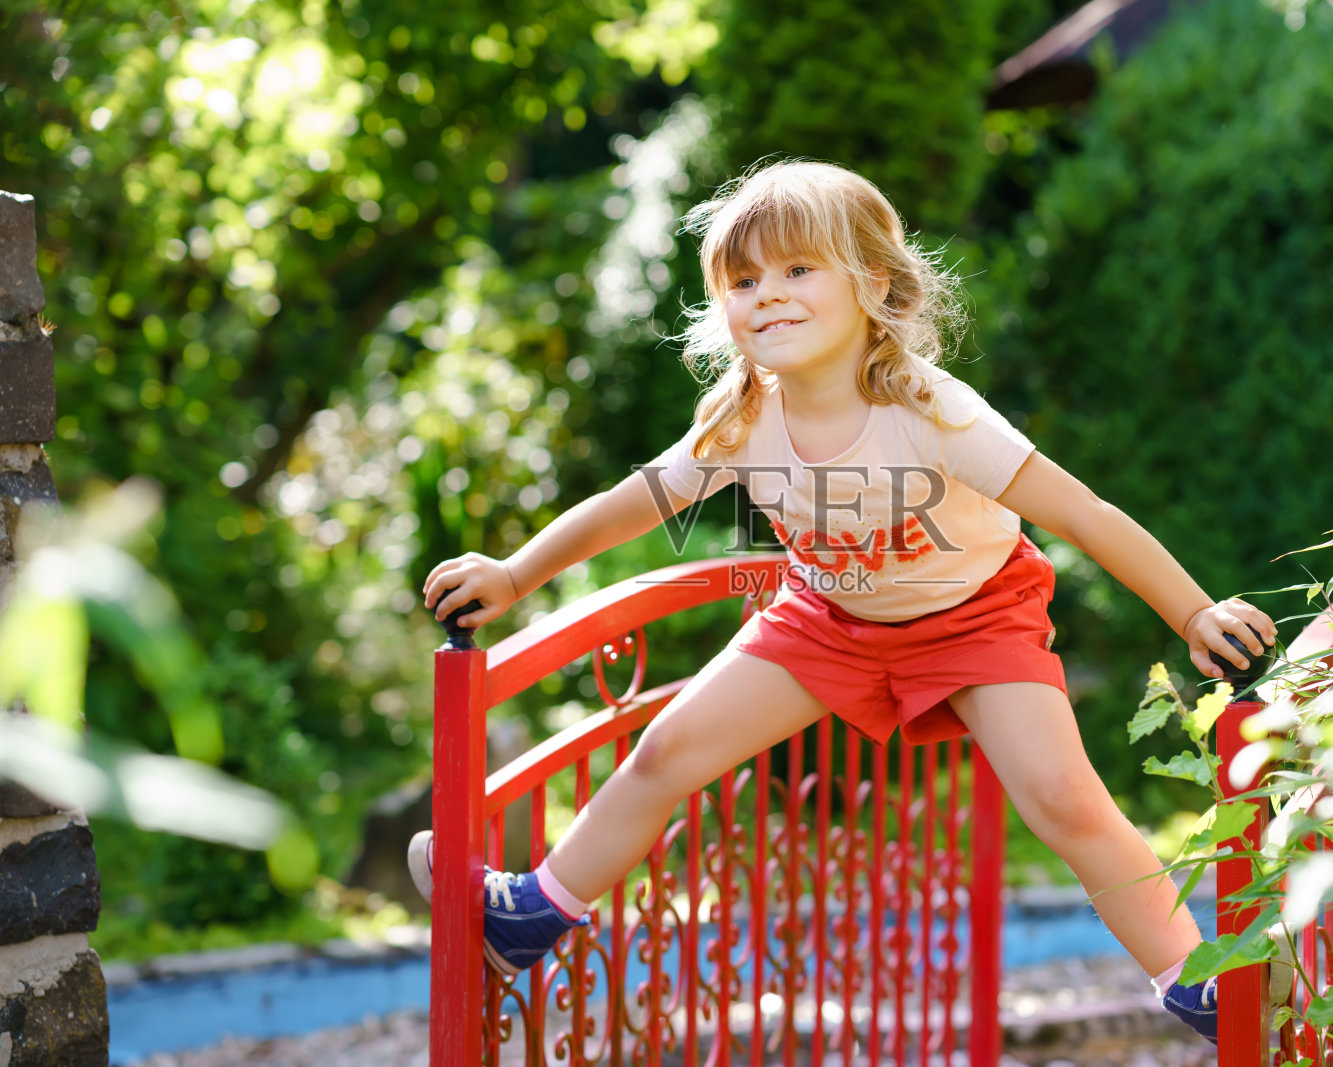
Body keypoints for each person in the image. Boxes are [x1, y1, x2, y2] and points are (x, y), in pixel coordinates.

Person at [411, 159, 1277, 1046]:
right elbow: (637, 503)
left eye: (797, 270)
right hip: (829, 618)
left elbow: (1084, 513)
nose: (768, 296)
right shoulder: (742, 418)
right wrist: (517, 573)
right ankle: (532, 915)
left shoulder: (932, 411)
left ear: (874, 285)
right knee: (665, 748)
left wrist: (1194, 611)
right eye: (743, 281)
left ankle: (1198, 981)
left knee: (1062, 797)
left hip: (977, 616)